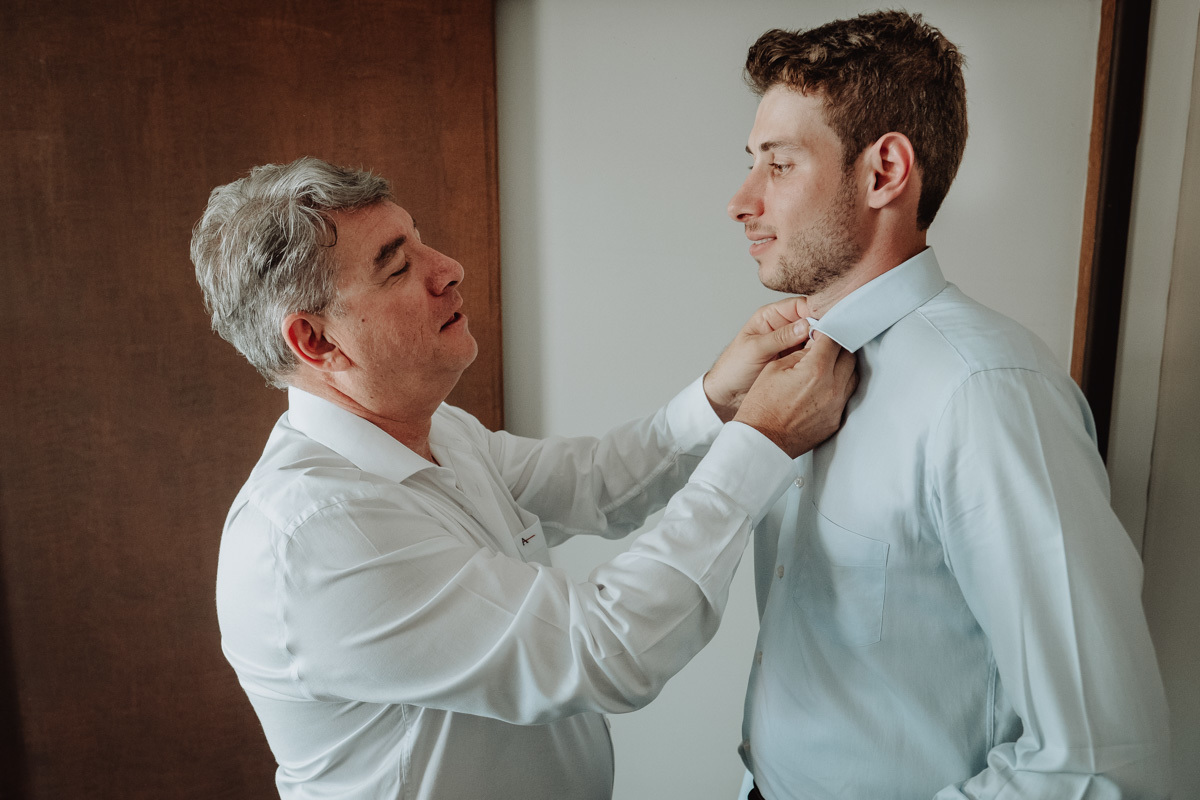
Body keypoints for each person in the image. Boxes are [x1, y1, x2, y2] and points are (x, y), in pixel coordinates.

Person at [191, 156, 856, 799]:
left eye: (422, 243)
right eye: (397, 267)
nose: (449, 270)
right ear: (316, 342)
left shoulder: (437, 430)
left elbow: (593, 485)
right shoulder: (313, 536)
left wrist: (720, 398)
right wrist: (762, 442)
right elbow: (605, 649)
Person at [725, 11, 1170, 800]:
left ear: (884, 171)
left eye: (779, 165)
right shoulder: (784, 370)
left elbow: (1103, 759)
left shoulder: (989, 395)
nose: (742, 200)